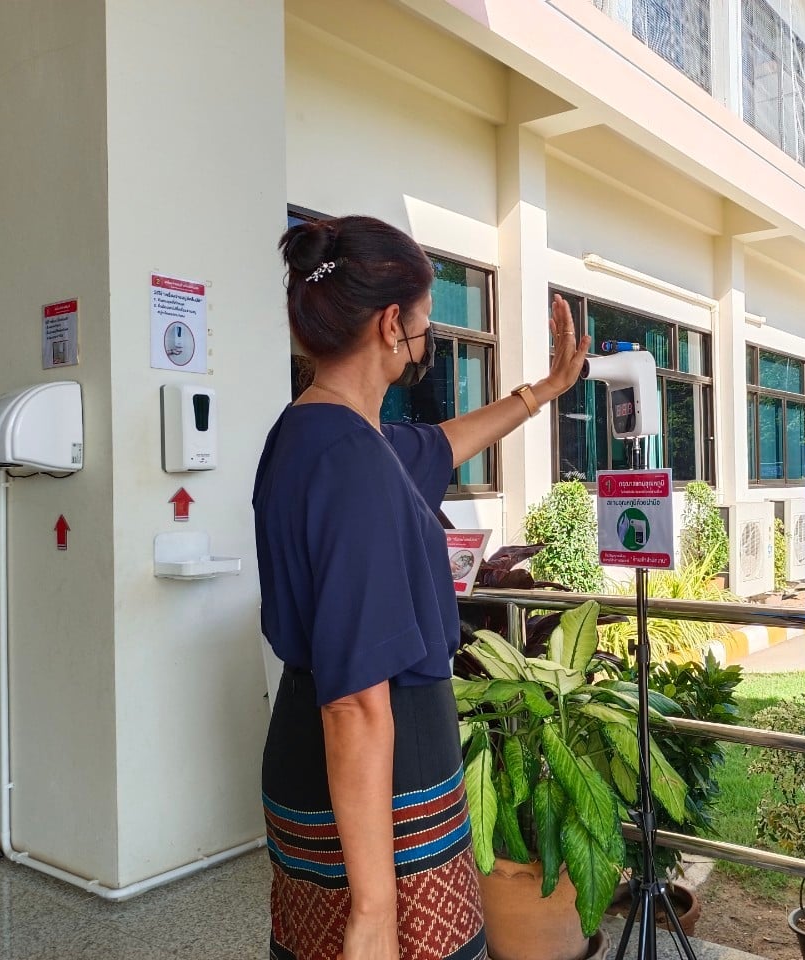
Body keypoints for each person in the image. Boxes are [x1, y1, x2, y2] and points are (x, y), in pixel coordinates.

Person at [254, 215, 590, 960]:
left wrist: (543, 391)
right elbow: (355, 701)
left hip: (315, 759)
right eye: (426, 321)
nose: (426, 337)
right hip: (381, 786)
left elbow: (439, 444)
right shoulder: (353, 462)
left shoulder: (315, 433)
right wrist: (375, 910)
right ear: (389, 325)